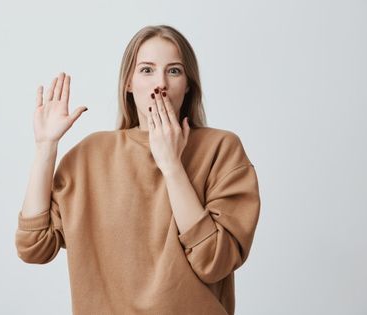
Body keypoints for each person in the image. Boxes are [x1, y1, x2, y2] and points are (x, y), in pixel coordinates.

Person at [15, 24, 261, 315]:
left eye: (174, 71)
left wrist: (171, 165)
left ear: (188, 84)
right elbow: (34, 246)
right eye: (146, 70)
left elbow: (214, 262)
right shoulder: (91, 155)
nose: (161, 83)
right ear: (128, 83)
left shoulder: (221, 149)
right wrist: (45, 147)